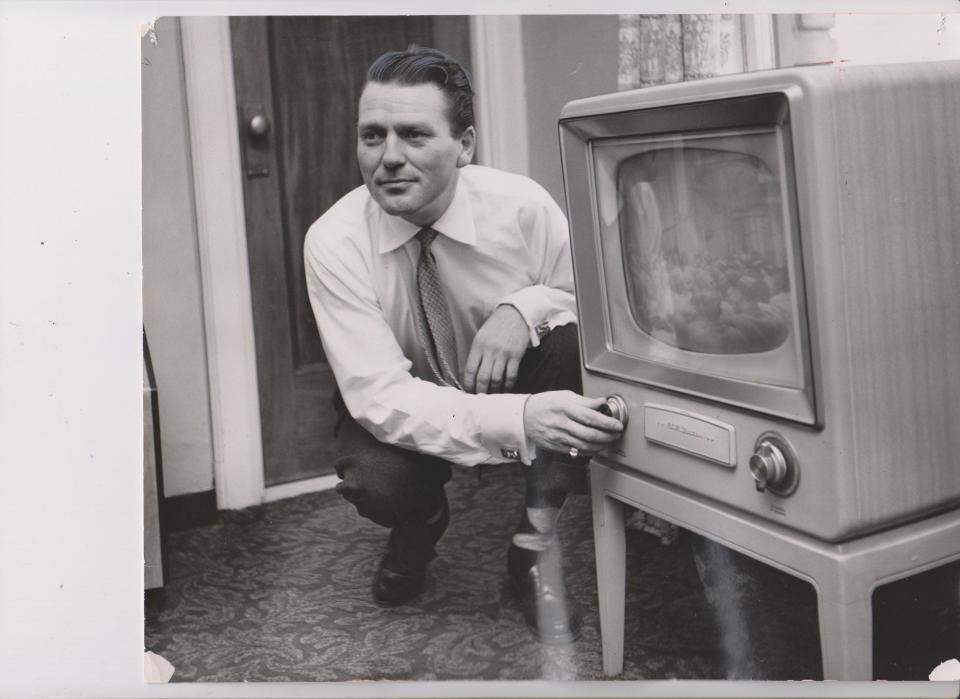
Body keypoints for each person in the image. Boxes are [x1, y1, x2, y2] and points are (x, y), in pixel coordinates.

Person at [304, 46, 623, 645]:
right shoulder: (334, 241)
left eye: (415, 135)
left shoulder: (522, 207)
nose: (389, 157)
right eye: (372, 136)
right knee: (375, 479)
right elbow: (380, 394)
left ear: (466, 146)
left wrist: (523, 307)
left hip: (503, 374)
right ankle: (420, 524)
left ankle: (532, 546)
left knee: (573, 349)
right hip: (405, 393)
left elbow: (593, 297)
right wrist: (521, 418)